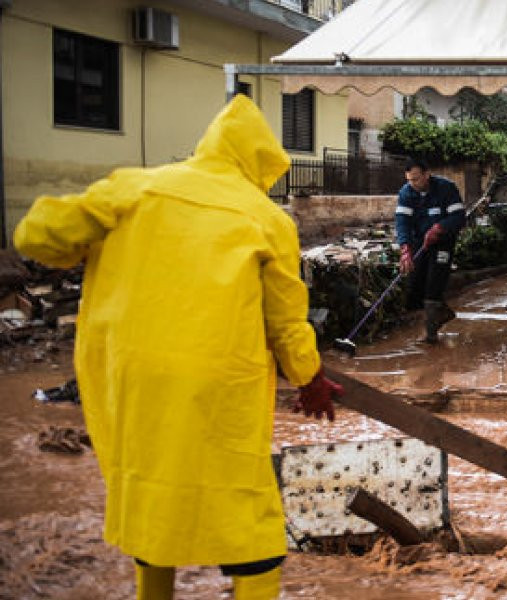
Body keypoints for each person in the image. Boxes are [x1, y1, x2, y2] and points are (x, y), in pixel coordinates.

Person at [12, 94, 343, 599]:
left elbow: (37, 237)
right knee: (248, 519)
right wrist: (309, 378)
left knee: (152, 495)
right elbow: (286, 321)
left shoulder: (133, 188)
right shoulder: (267, 219)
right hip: (217, 383)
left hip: (128, 374)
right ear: (259, 161)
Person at [395, 158, 466, 343]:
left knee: (434, 283)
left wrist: (439, 228)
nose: (413, 184)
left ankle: (430, 333)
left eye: (416, 179)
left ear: (427, 175)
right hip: (420, 242)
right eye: (409, 180)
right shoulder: (406, 193)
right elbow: (402, 222)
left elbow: (459, 217)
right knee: (415, 282)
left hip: (443, 242)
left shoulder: (446, 188)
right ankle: (441, 313)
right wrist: (405, 248)